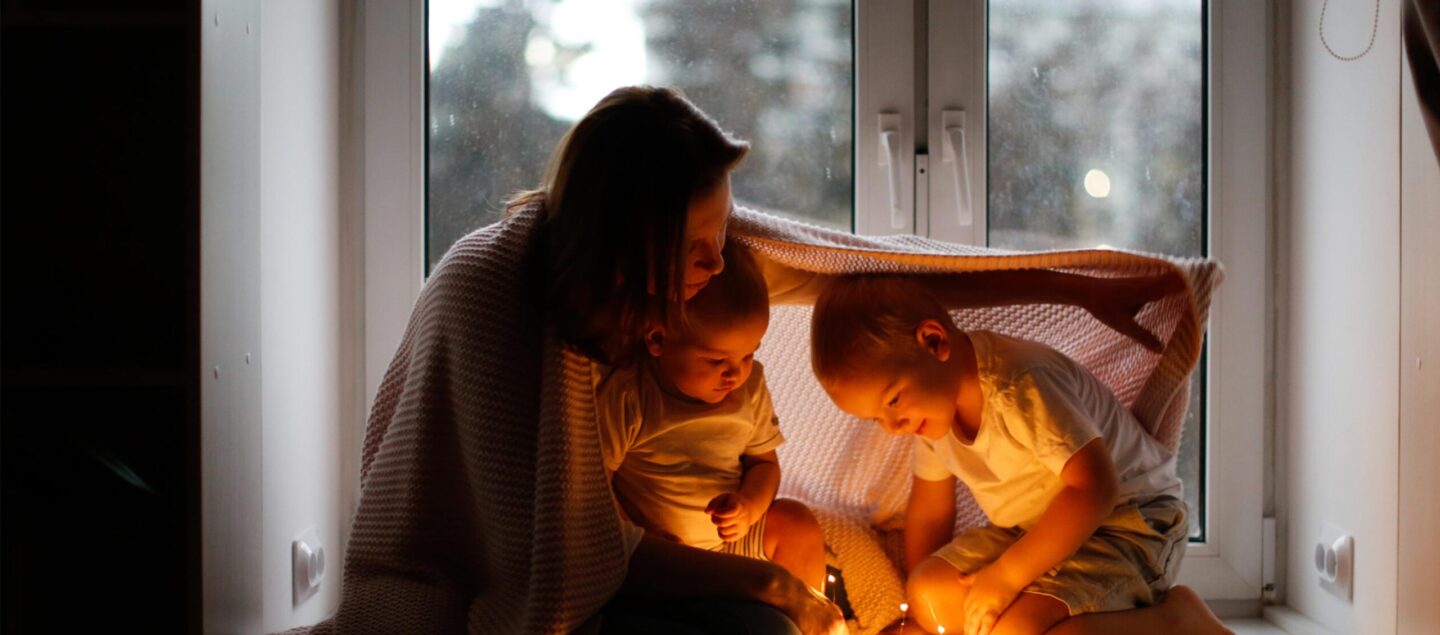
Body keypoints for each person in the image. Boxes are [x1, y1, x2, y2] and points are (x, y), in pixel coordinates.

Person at [314, 85, 1187, 635]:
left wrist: (1077, 291)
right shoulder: (496, 293)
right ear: (636, 243)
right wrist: (774, 585)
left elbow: (902, 282)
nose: (720, 262)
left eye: (723, 236)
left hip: (679, 547)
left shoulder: (696, 276)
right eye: (701, 245)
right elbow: (571, 551)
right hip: (525, 574)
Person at [809, 275, 1232, 635]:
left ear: (934, 341)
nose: (892, 426)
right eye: (876, 418)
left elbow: (1096, 487)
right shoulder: (931, 412)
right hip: (1034, 529)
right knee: (929, 591)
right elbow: (930, 514)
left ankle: (1176, 622)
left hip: (1129, 522)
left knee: (1017, 629)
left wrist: (1007, 577)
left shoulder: (1018, 384)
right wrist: (918, 611)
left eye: (893, 400)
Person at [595, 243, 826, 592]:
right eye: (716, 361)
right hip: (664, 552)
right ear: (659, 340)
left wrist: (748, 507)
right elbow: (596, 483)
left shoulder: (749, 388)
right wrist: (636, 537)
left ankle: (811, 619)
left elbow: (764, 465)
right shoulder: (633, 393)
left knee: (797, 523)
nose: (735, 374)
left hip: (734, 543)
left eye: (748, 355)